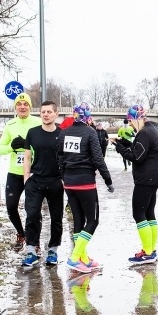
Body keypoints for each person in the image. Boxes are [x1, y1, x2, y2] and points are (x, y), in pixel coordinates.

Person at [58, 102, 114, 273]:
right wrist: (108, 180)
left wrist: (64, 177)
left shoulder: (64, 133)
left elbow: (59, 158)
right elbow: (98, 159)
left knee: (78, 220)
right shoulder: (90, 132)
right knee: (93, 220)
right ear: (88, 117)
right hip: (86, 182)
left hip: (69, 183)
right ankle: (75, 258)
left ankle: (83, 258)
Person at [112, 105, 158, 265]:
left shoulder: (144, 133)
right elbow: (141, 150)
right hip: (155, 176)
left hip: (146, 179)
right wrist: (124, 142)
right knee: (149, 213)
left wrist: (120, 148)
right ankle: (151, 249)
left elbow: (137, 157)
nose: (131, 125)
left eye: (131, 121)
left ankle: (148, 252)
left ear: (137, 118)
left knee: (138, 214)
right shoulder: (151, 130)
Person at [21, 101, 64, 268]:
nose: (46, 114)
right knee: (32, 215)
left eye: (49, 112)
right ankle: (31, 251)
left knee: (56, 217)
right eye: (43, 112)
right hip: (36, 181)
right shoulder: (32, 133)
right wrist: (26, 178)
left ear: (55, 114)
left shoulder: (62, 134)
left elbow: (66, 159)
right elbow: (27, 157)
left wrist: (63, 179)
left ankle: (53, 250)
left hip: (55, 181)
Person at [0, 93, 42, 251]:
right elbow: (0, 149)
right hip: (15, 172)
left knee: (33, 209)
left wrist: (28, 146)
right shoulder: (10, 124)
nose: (22, 107)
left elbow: (45, 148)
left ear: (30, 107)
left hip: (33, 172)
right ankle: (21, 234)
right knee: (11, 206)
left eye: (25, 104)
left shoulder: (38, 122)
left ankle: (35, 241)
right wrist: (12, 147)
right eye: (19, 104)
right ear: (15, 107)